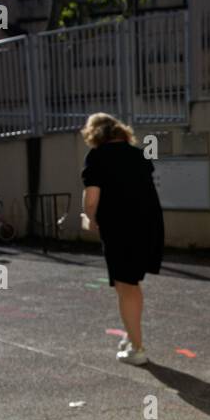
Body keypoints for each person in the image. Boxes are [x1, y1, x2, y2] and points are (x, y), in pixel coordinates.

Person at [81, 112, 164, 365]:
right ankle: (132, 335)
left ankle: (138, 350)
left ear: (95, 135)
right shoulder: (138, 154)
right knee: (129, 284)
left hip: (120, 228)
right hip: (148, 225)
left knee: (125, 286)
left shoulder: (97, 157)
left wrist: (89, 217)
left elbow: (92, 198)